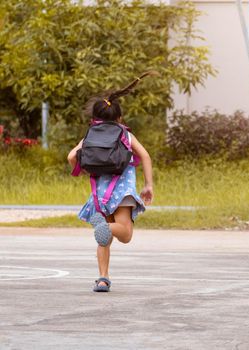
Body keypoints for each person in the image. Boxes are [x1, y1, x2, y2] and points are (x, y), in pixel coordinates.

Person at [67, 73, 154, 292]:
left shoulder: (90, 135)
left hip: (100, 193)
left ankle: (103, 278)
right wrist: (148, 185)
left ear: (95, 117)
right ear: (118, 117)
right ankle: (104, 226)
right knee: (124, 233)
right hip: (120, 191)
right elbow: (145, 156)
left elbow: (71, 157)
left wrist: (83, 169)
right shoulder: (125, 134)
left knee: (104, 238)